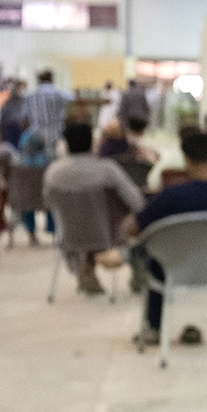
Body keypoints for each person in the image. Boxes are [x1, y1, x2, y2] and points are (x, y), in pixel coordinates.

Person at [124, 130, 207, 341]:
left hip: (171, 269)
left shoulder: (171, 196)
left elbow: (133, 228)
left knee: (148, 251)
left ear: (186, 160)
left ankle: (153, 328)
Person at [46, 121, 144, 295]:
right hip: (109, 234)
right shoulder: (107, 170)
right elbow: (136, 202)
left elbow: (49, 203)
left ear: (66, 144)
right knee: (140, 222)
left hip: (70, 235)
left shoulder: (54, 173)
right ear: (93, 142)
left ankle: (86, 270)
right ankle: (140, 275)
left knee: (85, 221)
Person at [25, 70, 70, 147]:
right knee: (52, 154)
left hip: (36, 130)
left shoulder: (30, 96)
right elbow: (72, 100)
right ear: (51, 79)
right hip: (54, 130)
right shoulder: (57, 94)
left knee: (38, 154)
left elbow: (25, 116)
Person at [0, 80, 31, 147]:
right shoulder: (8, 102)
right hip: (9, 127)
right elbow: (3, 117)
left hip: (20, 127)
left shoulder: (24, 101)